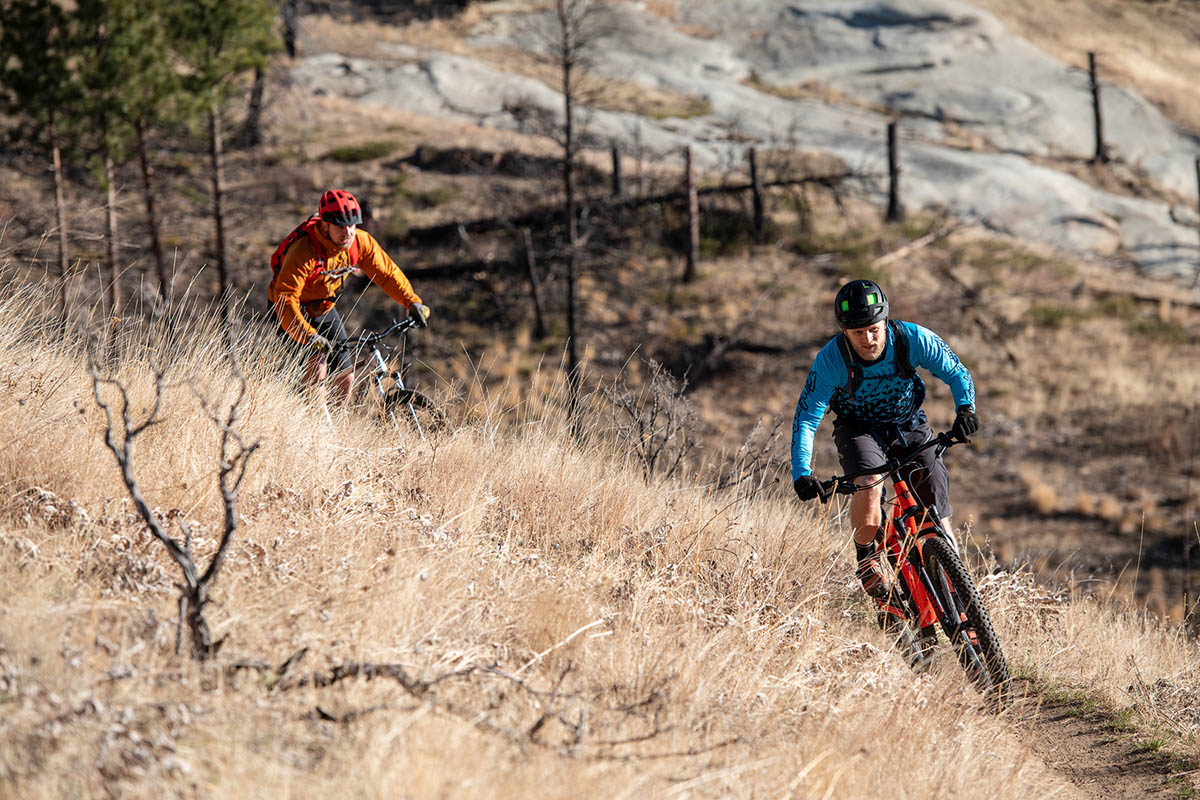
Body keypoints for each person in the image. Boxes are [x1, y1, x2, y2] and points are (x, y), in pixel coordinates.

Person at [790, 279, 978, 598]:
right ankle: (867, 557)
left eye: (874, 329)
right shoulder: (831, 360)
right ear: (844, 331)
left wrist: (965, 409)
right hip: (858, 429)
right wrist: (802, 473)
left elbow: (956, 372)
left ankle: (960, 596)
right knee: (869, 483)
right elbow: (807, 418)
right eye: (858, 332)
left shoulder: (912, 338)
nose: (868, 339)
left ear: (886, 321)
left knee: (936, 507)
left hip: (908, 423)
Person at [268, 189, 430, 403]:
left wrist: (412, 302)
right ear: (325, 225)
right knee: (316, 365)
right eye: (340, 227)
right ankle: (313, 418)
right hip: (288, 311)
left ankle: (336, 420)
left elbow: (387, 274)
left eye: (352, 225)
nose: (348, 232)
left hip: (323, 308)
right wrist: (308, 335)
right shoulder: (304, 251)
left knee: (345, 377)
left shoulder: (360, 243)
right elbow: (286, 300)